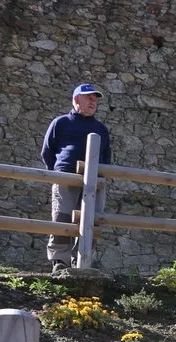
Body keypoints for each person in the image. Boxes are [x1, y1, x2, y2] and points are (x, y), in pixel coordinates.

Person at [41, 83, 112, 274]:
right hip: (67, 176)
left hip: (95, 182)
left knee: (92, 220)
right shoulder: (61, 123)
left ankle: (83, 260)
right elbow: (47, 151)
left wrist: (100, 179)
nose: (93, 101)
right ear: (76, 99)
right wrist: (58, 173)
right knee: (63, 217)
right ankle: (60, 260)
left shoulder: (101, 129)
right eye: (88, 97)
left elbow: (106, 157)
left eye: (95, 98)